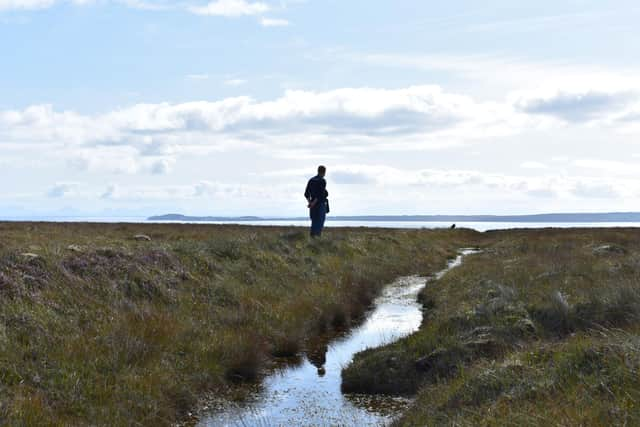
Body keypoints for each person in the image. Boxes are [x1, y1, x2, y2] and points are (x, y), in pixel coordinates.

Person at [304, 165, 329, 237]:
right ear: (324, 172)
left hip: (312, 205)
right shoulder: (322, 181)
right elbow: (320, 195)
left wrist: (310, 203)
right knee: (319, 223)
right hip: (320, 204)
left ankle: (312, 240)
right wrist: (313, 203)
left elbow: (306, 194)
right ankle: (317, 241)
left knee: (314, 222)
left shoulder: (311, 180)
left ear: (318, 171)